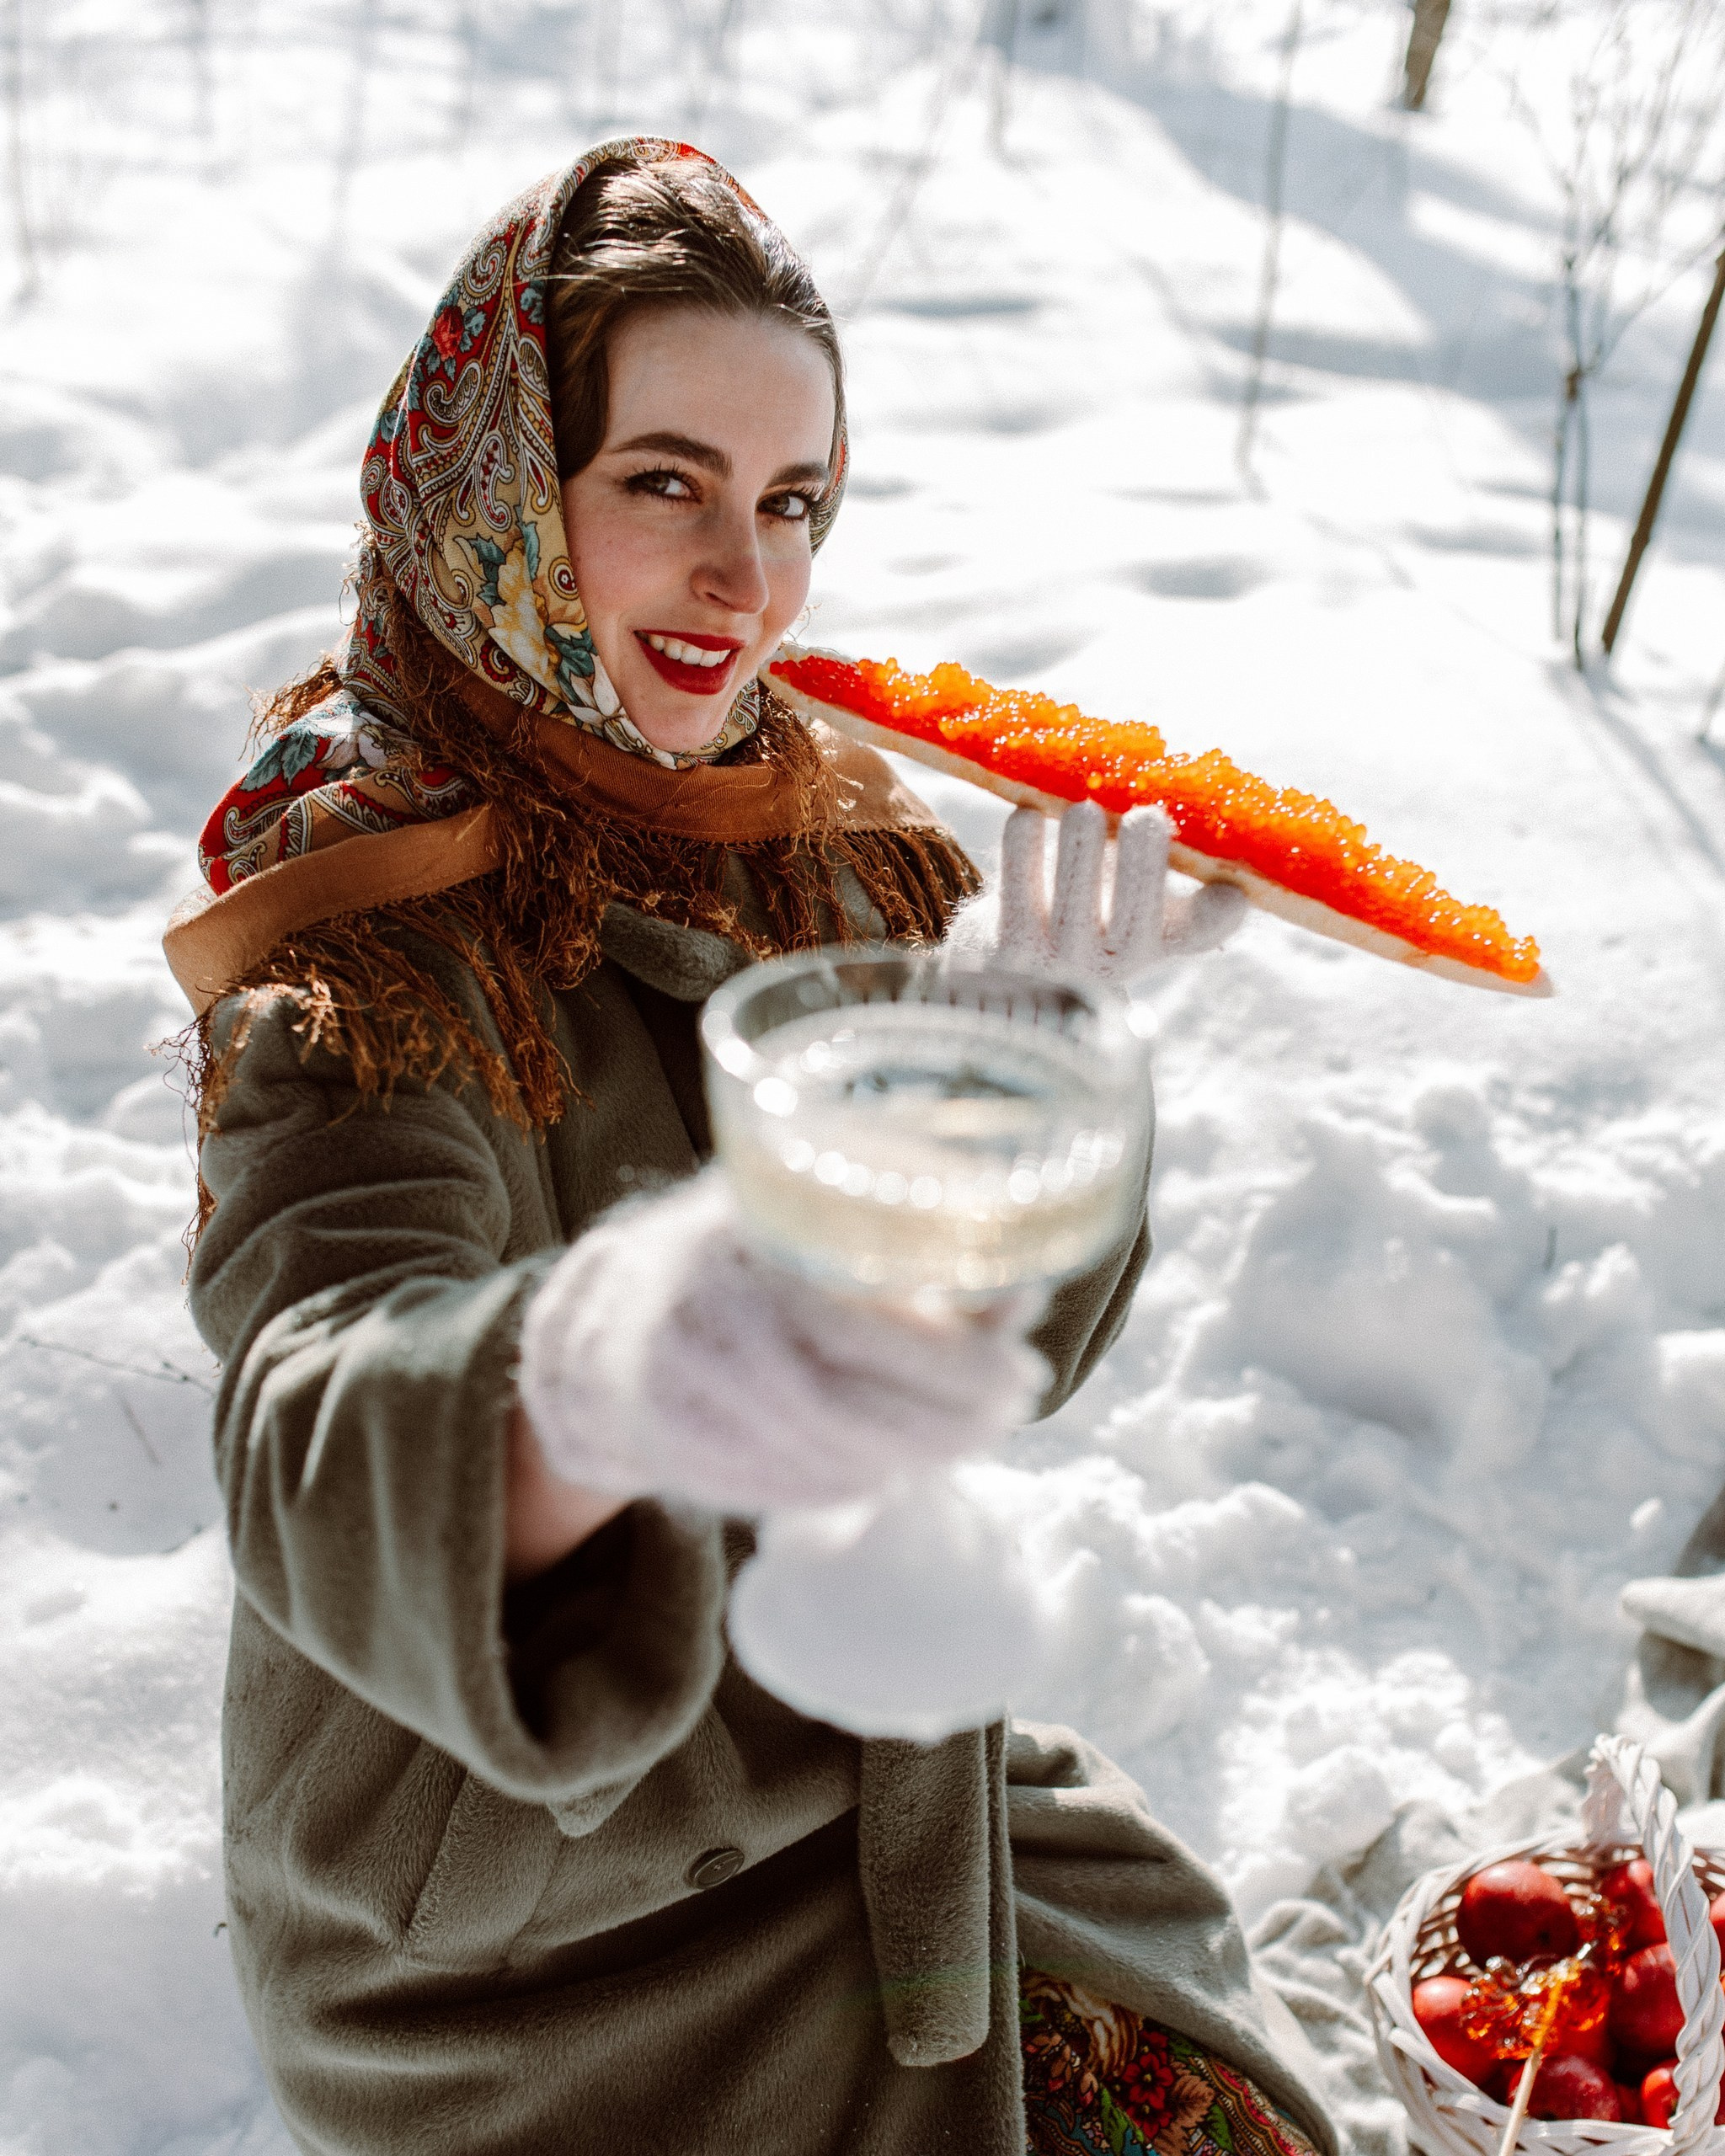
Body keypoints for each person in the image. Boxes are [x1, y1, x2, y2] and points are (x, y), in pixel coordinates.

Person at [168, 137, 1336, 2156]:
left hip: (867, 1791)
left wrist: (1006, 1106)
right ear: (506, 494)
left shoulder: (816, 847)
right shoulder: (359, 953)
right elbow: (312, 1431)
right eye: (665, 483)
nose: (748, 579)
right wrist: (603, 1370)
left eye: (792, 500)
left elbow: (999, 1361)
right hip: (532, 1942)